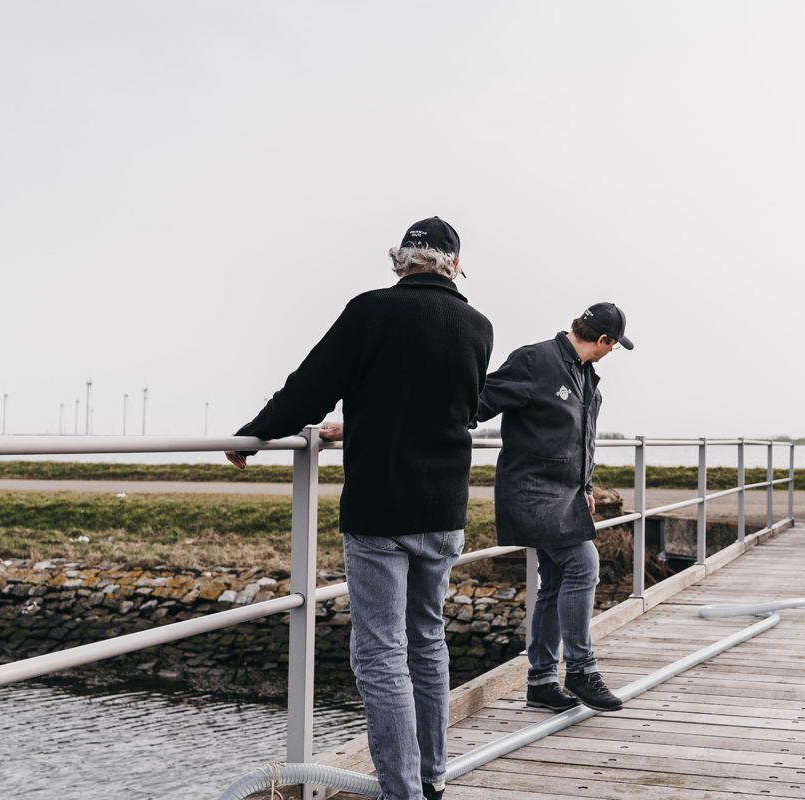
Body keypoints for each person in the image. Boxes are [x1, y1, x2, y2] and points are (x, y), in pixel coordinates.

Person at [225, 217, 493, 800]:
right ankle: (433, 776)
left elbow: (310, 388)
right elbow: (458, 408)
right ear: (453, 263)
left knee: (380, 653)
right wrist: (363, 421)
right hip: (444, 509)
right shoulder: (478, 326)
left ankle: (401, 791)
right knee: (427, 638)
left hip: (380, 508)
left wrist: (254, 434)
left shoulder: (371, 310)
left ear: (402, 260)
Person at [474, 303, 633, 713]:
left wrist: (586, 485)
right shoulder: (535, 360)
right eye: (613, 346)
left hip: (567, 495)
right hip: (531, 491)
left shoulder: (587, 379)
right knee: (584, 564)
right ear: (602, 340)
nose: (611, 353)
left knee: (557, 580)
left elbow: (583, 440)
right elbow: (475, 403)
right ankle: (580, 669)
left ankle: (541, 680)